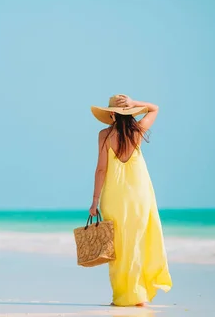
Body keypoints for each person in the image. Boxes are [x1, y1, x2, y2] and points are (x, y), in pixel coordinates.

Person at [89, 94, 172, 307]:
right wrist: (137, 104)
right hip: (140, 194)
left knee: (118, 246)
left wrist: (94, 201)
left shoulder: (104, 135)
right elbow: (154, 109)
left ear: (111, 114)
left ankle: (122, 296)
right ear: (130, 113)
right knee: (138, 243)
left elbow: (101, 169)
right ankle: (139, 296)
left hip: (114, 196)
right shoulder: (137, 132)